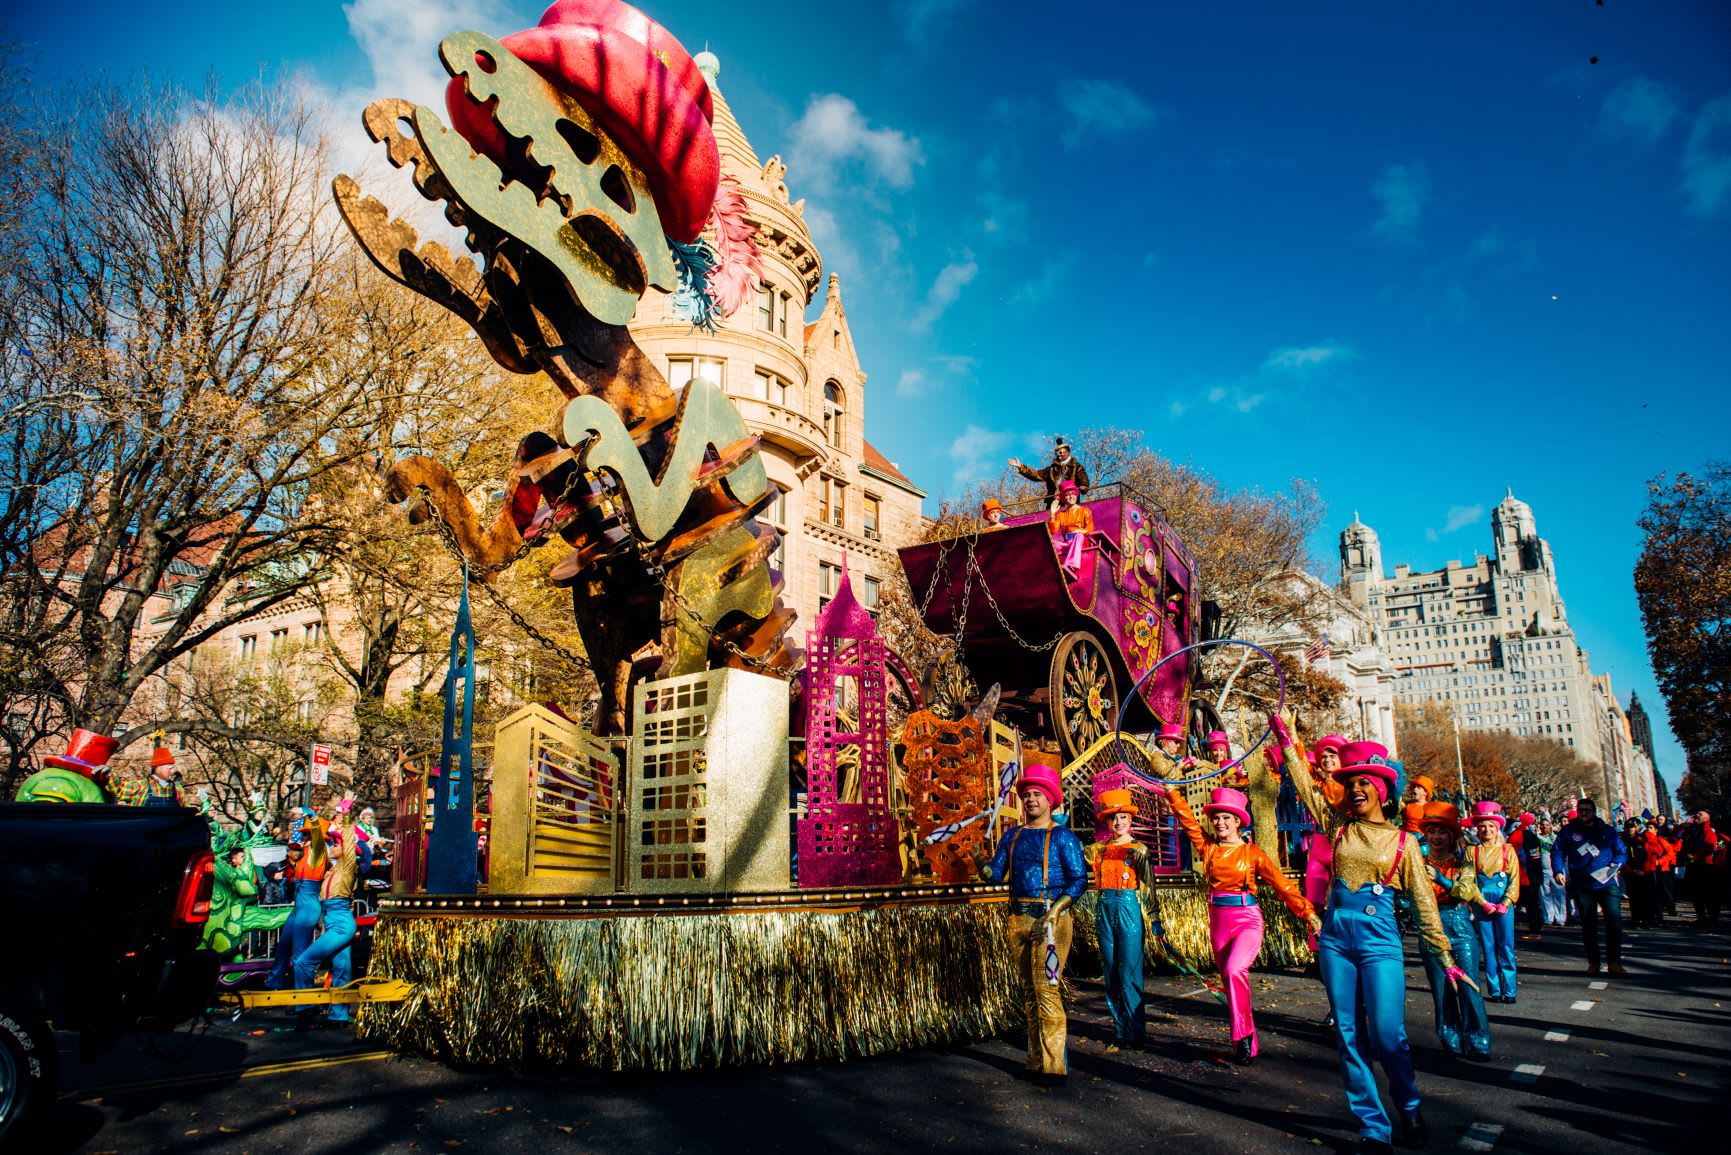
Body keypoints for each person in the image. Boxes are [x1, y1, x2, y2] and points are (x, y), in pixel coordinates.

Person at [1273, 722, 1466, 1154]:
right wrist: (1288, 744)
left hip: (1380, 942)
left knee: (1386, 1033)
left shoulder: (1405, 843)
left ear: (1381, 789)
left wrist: (1445, 957)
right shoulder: (1336, 825)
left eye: (1364, 782)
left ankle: (1409, 1106)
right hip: (1336, 939)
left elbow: (1424, 906)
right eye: (1351, 782)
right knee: (1348, 1034)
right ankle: (1373, 1126)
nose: (1356, 788)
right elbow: (1305, 785)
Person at [1156, 781, 1319, 1064]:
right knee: (1230, 982)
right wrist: (1171, 790)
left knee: (1234, 971)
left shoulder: (1252, 853)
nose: (1219, 822)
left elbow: (1282, 885)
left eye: (1226, 818)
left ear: (1237, 822)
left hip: (1247, 919)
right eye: (1216, 818)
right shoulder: (1208, 848)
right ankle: (1247, 1041)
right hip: (1219, 920)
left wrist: (1308, 912)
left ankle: (1242, 1038)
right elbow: (1188, 822)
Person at [987, 763, 1087, 1082]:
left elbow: (1078, 880)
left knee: (1047, 988)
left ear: (1050, 800)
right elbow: (995, 874)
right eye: (1027, 794)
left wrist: (1057, 910)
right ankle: (1036, 1060)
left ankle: (1054, 1065)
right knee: (1029, 991)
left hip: (1050, 921)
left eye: (1037, 794)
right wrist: (980, 865)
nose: (1031, 799)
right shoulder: (1011, 836)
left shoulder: (1063, 837)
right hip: (1017, 917)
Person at [1085, 787, 1164, 1051]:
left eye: (1123, 817)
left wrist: (1155, 918)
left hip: (1129, 907)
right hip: (1104, 908)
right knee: (1111, 971)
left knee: (1130, 969)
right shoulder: (1097, 850)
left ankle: (1135, 1031)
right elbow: (1071, 852)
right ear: (1107, 822)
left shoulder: (1139, 850)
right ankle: (1121, 1029)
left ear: (1131, 820)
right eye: (1113, 818)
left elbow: (1149, 887)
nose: (1118, 822)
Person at [1416, 802, 1492, 1061]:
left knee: (1468, 985)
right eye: (1432, 831)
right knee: (1441, 987)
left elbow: (1466, 892)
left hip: (1459, 925)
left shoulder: (1464, 863)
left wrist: (1439, 878)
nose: (1436, 837)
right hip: (1431, 927)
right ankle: (1450, 1036)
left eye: (1442, 832)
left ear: (1452, 835)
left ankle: (1478, 1039)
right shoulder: (1417, 863)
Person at [294, 799, 362, 1024]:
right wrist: (315, 821)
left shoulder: (348, 867)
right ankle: (339, 1015)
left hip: (342, 922)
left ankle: (305, 1006)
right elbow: (318, 845)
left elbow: (350, 840)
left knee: (304, 961)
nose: (332, 847)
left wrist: (346, 814)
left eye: (335, 845)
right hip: (332, 921)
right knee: (341, 969)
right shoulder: (331, 869)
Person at [1551, 797, 1627, 975]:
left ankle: (1614, 962)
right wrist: (1558, 871)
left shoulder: (1607, 831)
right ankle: (1594, 962)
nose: (1584, 813)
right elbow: (1557, 851)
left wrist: (1615, 865)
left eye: (1587, 810)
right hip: (1582, 884)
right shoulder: (1569, 831)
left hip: (1606, 882)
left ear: (1594, 812)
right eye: (1581, 810)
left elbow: (1621, 852)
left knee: (1614, 921)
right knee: (1588, 924)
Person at [267, 808, 329, 990]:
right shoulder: (305, 856)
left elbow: (317, 836)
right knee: (284, 944)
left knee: (300, 950)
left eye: (307, 836)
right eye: (304, 836)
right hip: (300, 905)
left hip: (308, 905)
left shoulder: (318, 852)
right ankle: (274, 982)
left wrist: (310, 814)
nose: (303, 839)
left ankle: (302, 993)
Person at [1466, 801, 1520, 1003]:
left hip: (1503, 901)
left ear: (1497, 828)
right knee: (1488, 946)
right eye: (1482, 826)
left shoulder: (1508, 850)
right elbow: (1468, 881)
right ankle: (1495, 989)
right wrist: (1481, 902)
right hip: (1483, 903)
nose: (1486, 829)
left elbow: (1514, 879)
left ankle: (1510, 989)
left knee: (1506, 945)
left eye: (1491, 825)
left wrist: (1506, 902)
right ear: (1477, 829)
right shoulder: (1473, 852)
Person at [1010, 436, 1090, 506]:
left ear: (1068, 452)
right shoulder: (1051, 469)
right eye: (1056, 453)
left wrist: (1083, 487)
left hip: (1070, 503)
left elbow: (1084, 483)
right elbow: (1036, 474)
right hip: (1053, 503)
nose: (1058, 455)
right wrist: (1021, 467)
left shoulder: (1077, 467)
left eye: (1060, 452)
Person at [1681, 811, 1720, 928]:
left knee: (1708, 895)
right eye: (1697, 814)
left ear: (1706, 819)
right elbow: (1677, 836)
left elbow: (1711, 847)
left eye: (1701, 814)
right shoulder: (1692, 830)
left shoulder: (1708, 831)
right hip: (1692, 866)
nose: (1697, 815)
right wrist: (1685, 824)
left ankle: (1713, 920)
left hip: (1705, 866)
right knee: (1696, 894)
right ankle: (1701, 918)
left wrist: (1695, 856)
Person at [1049, 480, 1093, 578]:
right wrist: (1052, 514)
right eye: (1068, 494)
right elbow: (1053, 531)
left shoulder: (1084, 511)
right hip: (1067, 543)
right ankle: (1048, 568)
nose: (1071, 496)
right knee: (1050, 542)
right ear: (1064, 498)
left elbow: (1090, 527)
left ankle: (1071, 565)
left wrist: (1082, 531)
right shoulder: (1061, 514)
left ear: (1076, 495)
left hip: (1081, 541)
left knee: (1078, 536)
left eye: (1073, 494)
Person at [1513, 813, 1544, 937]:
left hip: (1524, 876)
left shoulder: (1517, 837)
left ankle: (1535, 928)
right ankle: (1536, 926)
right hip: (1534, 874)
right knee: (1533, 903)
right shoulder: (1533, 837)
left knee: (1530, 903)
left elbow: (1512, 856)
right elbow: (1536, 856)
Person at [1534, 816, 1567, 926]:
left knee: (1559, 894)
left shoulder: (1556, 838)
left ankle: (1560, 918)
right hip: (1543, 871)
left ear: (1550, 826)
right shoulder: (1537, 839)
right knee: (1545, 895)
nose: (1544, 827)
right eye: (1542, 825)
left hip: (1556, 871)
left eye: (1547, 825)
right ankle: (1548, 917)